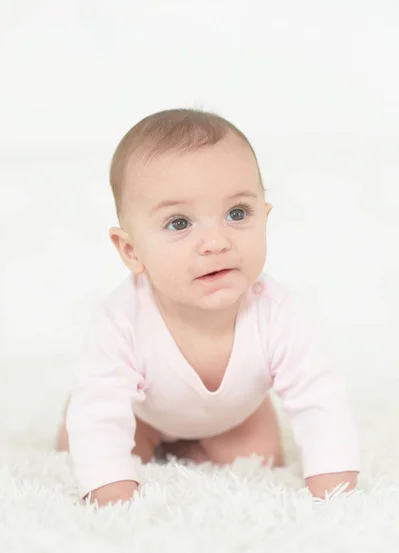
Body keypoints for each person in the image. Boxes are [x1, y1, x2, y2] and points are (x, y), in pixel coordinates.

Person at [56, 108, 360, 507]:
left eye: (237, 214)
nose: (216, 242)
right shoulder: (122, 318)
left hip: (234, 417)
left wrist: (334, 487)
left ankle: (192, 449)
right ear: (131, 250)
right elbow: (101, 406)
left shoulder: (276, 312)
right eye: (179, 223)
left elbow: (319, 396)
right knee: (80, 449)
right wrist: (111, 494)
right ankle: (153, 448)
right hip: (142, 418)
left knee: (262, 462)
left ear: (264, 218)